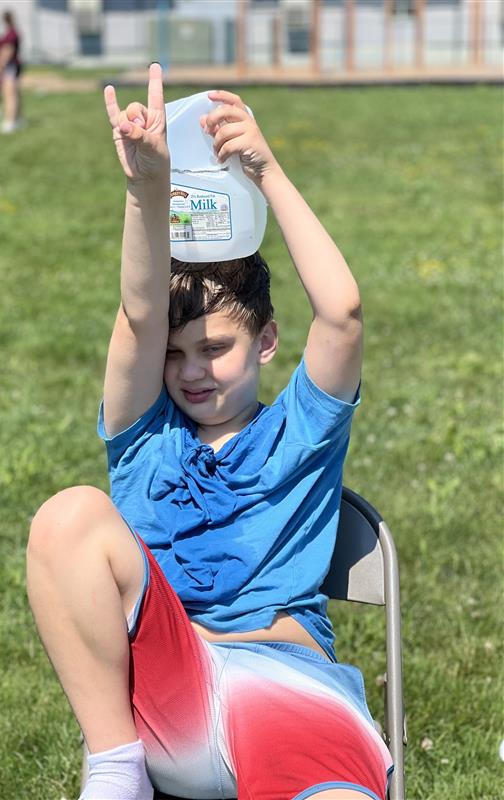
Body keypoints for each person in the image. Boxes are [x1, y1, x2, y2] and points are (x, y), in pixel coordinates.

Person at [26, 64, 394, 800]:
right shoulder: (145, 440)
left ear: (265, 342)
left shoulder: (302, 433)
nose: (192, 372)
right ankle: (113, 772)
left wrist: (266, 172)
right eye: (175, 354)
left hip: (291, 692)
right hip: (173, 698)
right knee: (69, 515)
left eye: (215, 348)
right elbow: (138, 315)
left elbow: (343, 312)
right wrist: (146, 189)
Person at [0, 9, 22, 134]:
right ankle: (17, 118)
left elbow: (7, 50)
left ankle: (10, 121)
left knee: (9, 94)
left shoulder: (11, 33)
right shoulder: (13, 32)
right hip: (13, 65)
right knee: (15, 94)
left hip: (10, 66)